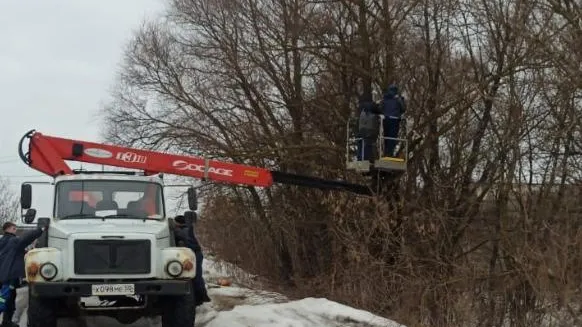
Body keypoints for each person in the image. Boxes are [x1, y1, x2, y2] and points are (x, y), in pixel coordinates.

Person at [0, 222, 44, 327]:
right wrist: (40, 230)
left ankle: (7, 322)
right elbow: (25, 239)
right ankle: (6, 322)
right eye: (14, 228)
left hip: (3, 274)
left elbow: (15, 254)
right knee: (5, 298)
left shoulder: (2, 241)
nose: (16, 231)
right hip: (9, 275)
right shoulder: (13, 241)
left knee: (8, 297)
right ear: (9, 229)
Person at [173, 215, 211, 306]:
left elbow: (181, 235)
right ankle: (198, 297)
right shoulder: (187, 229)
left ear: (178, 223)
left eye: (175, 223)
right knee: (194, 276)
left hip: (195, 254)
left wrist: (173, 230)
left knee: (196, 276)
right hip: (191, 253)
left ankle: (202, 297)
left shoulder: (185, 230)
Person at [381, 84, 406, 157]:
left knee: (386, 136)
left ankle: (386, 153)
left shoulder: (385, 98)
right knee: (392, 137)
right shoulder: (398, 99)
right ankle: (389, 153)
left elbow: (381, 108)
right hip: (394, 119)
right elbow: (403, 108)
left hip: (386, 119)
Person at [357, 94, 382, 161]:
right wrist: (378, 104)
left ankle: (360, 158)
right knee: (369, 144)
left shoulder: (362, 107)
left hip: (362, 128)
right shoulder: (373, 106)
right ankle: (367, 158)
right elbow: (380, 111)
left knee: (361, 143)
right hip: (370, 128)